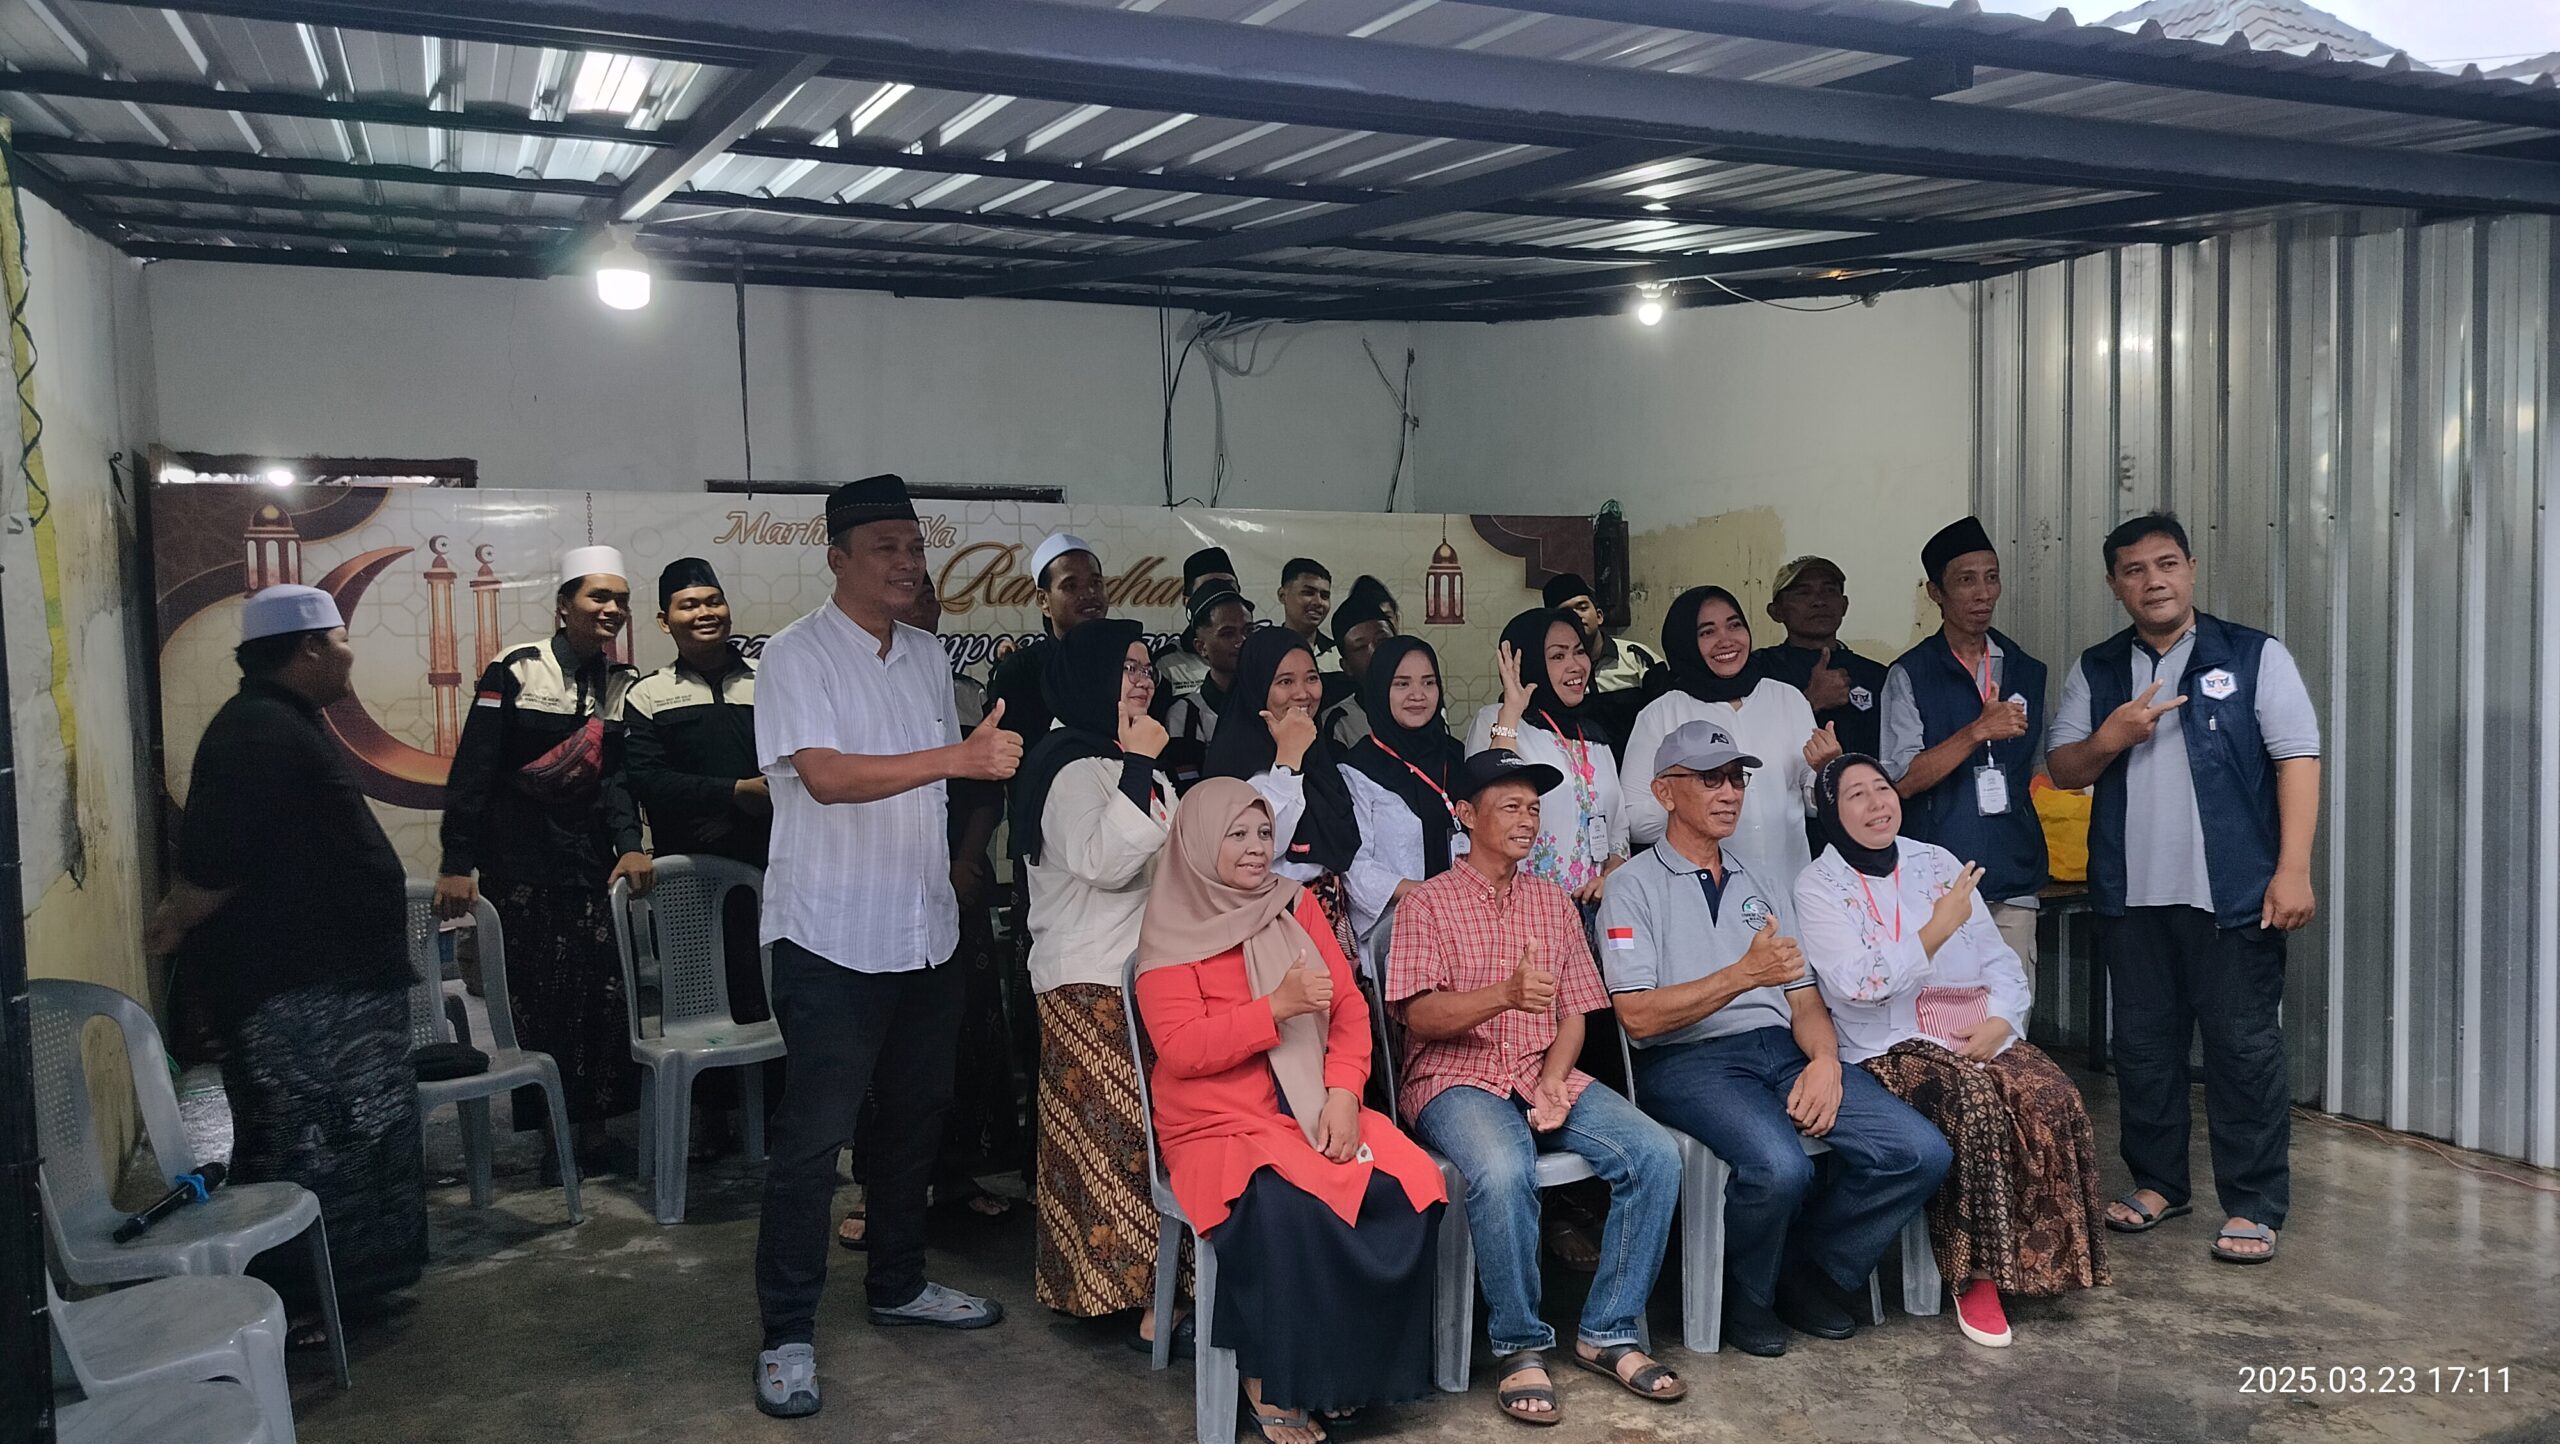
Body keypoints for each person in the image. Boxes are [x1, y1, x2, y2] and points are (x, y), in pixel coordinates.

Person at [748, 475, 1020, 1420]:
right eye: (885, 549)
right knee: (812, 1141)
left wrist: (954, 853)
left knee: (914, 1121)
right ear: (837, 559)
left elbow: (935, 791)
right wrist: (959, 759)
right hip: (830, 934)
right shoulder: (795, 655)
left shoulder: (926, 655)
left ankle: (898, 1283)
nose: (908, 564)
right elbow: (824, 778)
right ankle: (787, 1330)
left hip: (922, 929)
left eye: (915, 546)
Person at [1600, 721, 1950, 1358]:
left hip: (1781, 1049)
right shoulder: (1631, 886)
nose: (1730, 792)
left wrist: (1825, 1061)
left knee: (1918, 1151)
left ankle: (1804, 1269)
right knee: (1780, 1167)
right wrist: (1742, 975)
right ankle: (1746, 1295)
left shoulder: (1759, 880)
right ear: (1665, 792)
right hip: (1687, 1060)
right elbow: (1638, 1018)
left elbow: (1804, 999)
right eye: (1711, 779)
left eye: (1737, 779)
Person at [145, 585, 426, 1345]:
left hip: (332, 986)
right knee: (308, 1141)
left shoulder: (281, 721)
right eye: (340, 641)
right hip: (298, 993)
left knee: (357, 1138)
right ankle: (301, 1299)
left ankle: (352, 1288)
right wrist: (175, 921)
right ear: (308, 648)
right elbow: (216, 863)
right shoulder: (256, 732)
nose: (348, 654)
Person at [1134, 781, 1447, 1444]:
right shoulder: (1173, 928)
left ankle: (1343, 1374)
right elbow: (1181, 1048)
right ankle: (1268, 1379)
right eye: (1237, 835)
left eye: (1263, 834)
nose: (1257, 848)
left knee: (1406, 1187)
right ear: (1198, 844)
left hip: (1309, 1102)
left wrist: (1344, 1094)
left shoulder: (1293, 904)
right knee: (1285, 1208)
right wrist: (1273, 1008)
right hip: (1217, 1123)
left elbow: (1349, 1009)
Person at [2046, 512, 2321, 1266]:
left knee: (2243, 1050)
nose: (2154, 581)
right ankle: (2160, 1182)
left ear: (2191, 569)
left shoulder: (2254, 654)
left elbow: (2297, 757)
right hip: (2130, 897)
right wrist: (2112, 737)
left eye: (2167, 564)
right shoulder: (2098, 668)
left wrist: (2292, 869)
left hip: (2232, 896)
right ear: (2115, 585)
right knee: (2142, 1049)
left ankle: (2254, 1202)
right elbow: (2064, 769)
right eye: (2134, 570)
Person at [1387, 751, 1684, 1424]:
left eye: (1533, 807)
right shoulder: (1426, 903)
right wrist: (1504, 995)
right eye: (1510, 807)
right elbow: (1420, 1016)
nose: (1527, 819)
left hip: (1538, 1068)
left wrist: (1553, 1081)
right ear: (1467, 815)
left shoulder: (1551, 902)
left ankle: (1607, 1330)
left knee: (1654, 1153)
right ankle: (1519, 1344)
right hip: (1453, 1079)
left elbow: (1576, 1010)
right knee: (1502, 1167)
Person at [1793, 754, 2107, 1349]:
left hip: (1974, 1029)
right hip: (1888, 1046)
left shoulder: (1935, 862)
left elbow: (1999, 961)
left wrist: (2003, 1019)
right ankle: (1975, 1276)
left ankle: (2042, 1262)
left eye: (1882, 788)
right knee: (1973, 1103)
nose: (1877, 803)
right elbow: (1857, 984)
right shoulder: (1818, 885)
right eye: (1856, 795)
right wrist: (1936, 928)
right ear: (1831, 814)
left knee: (2052, 1094)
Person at [436, 545, 653, 1170]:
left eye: (621, 600)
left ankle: (596, 1134)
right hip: (521, 864)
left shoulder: (622, 682)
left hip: (591, 866)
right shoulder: (515, 669)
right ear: (564, 604)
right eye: (598, 596)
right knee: (538, 1003)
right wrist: (457, 860)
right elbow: (475, 769)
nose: (612, 609)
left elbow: (617, 780)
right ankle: (554, 1136)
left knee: (603, 1001)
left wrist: (630, 845)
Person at [1011, 618, 1185, 1350]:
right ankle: (1134, 1298)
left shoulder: (1132, 761)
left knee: (1146, 1136)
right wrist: (1140, 765)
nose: (1143, 681)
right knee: (1113, 1141)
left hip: (1146, 977)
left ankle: (1156, 1294)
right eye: (1127, 668)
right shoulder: (1067, 768)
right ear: (1088, 678)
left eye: (1147, 668)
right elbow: (1106, 863)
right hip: (1088, 981)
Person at [1880, 517, 2049, 974]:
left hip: (2012, 877)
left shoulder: (2027, 670)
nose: (1983, 593)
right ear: (1936, 592)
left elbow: (2038, 769)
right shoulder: (1911, 673)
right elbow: (1903, 781)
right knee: (1943, 1008)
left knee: (2012, 1009)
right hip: (1936, 882)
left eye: (1992, 578)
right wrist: (1977, 731)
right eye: (1966, 581)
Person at [1623, 585, 1835, 892]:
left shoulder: (1786, 699)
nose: (1726, 640)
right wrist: (1686, 795)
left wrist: (1827, 769)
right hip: (1702, 897)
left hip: (1787, 888)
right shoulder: (1661, 714)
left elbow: (1813, 804)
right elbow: (1634, 821)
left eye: (1734, 625)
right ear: (1685, 641)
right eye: (1707, 632)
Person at [1464, 607, 1629, 904]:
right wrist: (1512, 712)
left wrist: (1612, 874)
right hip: (1526, 910)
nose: (1575, 665)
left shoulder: (1595, 737)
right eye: (1557, 656)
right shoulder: (1497, 721)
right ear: (1530, 664)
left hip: (1595, 909)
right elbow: (1492, 806)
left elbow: (1618, 828)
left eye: (1579, 652)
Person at [1204, 628, 1361, 914]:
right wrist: (1288, 759)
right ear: (1257, 687)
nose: (1302, 694)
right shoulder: (1234, 764)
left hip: (1325, 915)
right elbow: (1262, 847)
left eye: (1311, 678)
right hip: (1268, 916)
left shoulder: (1319, 757)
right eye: (1285, 681)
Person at [1339, 636, 1468, 954]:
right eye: (1402, 684)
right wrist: (1430, 895)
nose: (1417, 695)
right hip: (1399, 938)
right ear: (1380, 689)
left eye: (1428, 682)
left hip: (1467, 930)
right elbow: (1355, 868)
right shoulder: (1357, 770)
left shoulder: (1456, 756)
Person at [1753, 556, 1889, 763]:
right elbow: (1748, 740)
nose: (1819, 601)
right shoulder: (1758, 669)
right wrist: (1811, 701)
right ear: (1776, 611)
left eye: (1829, 590)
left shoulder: (1877, 675)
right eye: (1802, 592)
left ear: (1844, 605)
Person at [987, 531, 1110, 747]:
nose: (1089, 593)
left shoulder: (1128, 662)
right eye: (1070, 586)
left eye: (1096, 582)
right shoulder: (1020, 672)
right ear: (1044, 600)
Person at [1544, 573, 1658, 744]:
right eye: (1566, 613)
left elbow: (1667, 714)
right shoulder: (1550, 670)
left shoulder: (1636, 658)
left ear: (1599, 616)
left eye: (1582, 608)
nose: (1577, 616)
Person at [1162, 587, 1253, 790]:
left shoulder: (1272, 700)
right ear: (1201, 647)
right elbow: (1187, 790)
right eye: (1228, 634)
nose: (1241, 641)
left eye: (1248, 631)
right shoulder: (1186, 713)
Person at [1155, 545, 1240, 701]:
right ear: (1187, 601)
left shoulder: (1259, 654)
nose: (1220, 593)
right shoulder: (1166, 663)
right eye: (1208, 588)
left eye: (1229, 586)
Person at [1320, 586, 1396, 750]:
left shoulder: (1421, 701)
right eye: (1360, 647)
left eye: (1382, 641)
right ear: (1346, 666)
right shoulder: (1338, 722)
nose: (1374, 652)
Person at [1276, 557, 1338, 672]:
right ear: (1282, 596)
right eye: (1308, 593)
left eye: (1324, 596)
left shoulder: (1338, 654)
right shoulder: (1265, 651)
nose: (1318, 602)